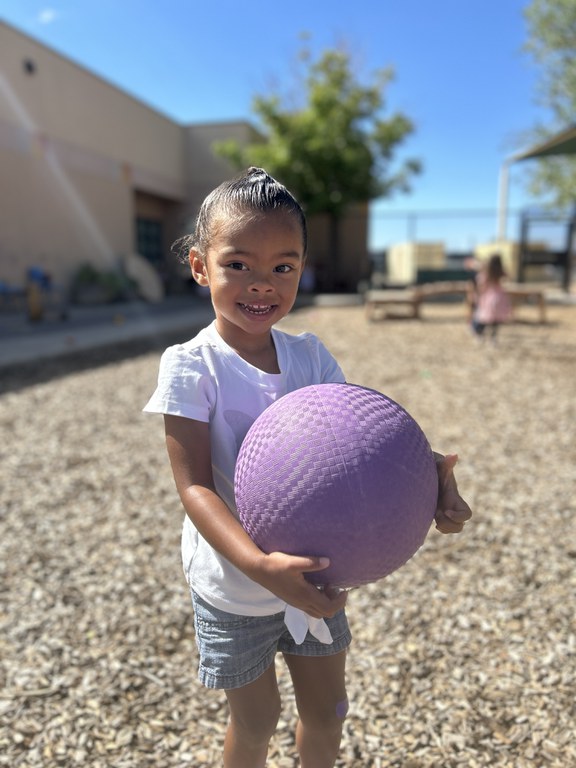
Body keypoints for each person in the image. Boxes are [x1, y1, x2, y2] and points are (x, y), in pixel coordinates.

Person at [144, 167, 472, 768]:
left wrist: (430, 487)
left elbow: (357, 446)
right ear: (199, 266)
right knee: (258, 721)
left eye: (283, 266)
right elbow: (192, 486)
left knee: (328, 712)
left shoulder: (310, 355)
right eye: (238, 264)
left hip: (319, 577)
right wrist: (260, 566)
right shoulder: (192, 366)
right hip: (235, 585)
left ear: (302, 269)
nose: (261, 284)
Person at [470, 254, 512, 342]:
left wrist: (478, 293)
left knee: (483, 317)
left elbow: (480, 282)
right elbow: (508, 277)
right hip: (499, 297)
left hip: (488, 296)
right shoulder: (500, 272)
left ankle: (479, 334)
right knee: (495, 319)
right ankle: (493, 337)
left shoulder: (487, 272)